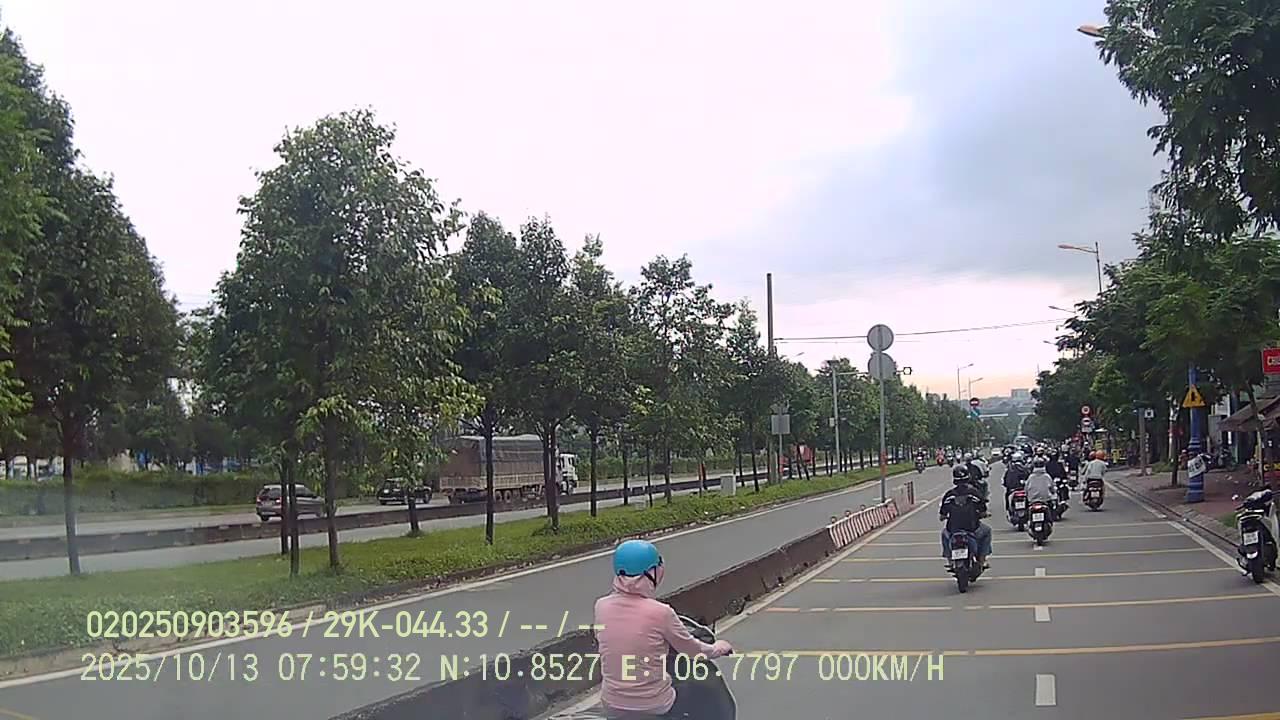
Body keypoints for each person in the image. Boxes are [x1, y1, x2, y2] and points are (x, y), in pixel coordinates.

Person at [595, 540, 733, 719]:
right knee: (702, 694)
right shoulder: (661, 612)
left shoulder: (601, 606)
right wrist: (718, 648)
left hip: (611, 704)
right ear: (651, 572)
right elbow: (694, 651)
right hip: (655, 705)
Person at [939, 465, 992, 569]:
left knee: (944, 533)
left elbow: (942, 515)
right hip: (972, 529)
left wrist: (944, 517)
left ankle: (950, 560)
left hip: (953, 529)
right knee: (987, 531)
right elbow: (983, 510)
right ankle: (982, 560)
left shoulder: (949, 495)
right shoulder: (974, 493)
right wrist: (983, 514)